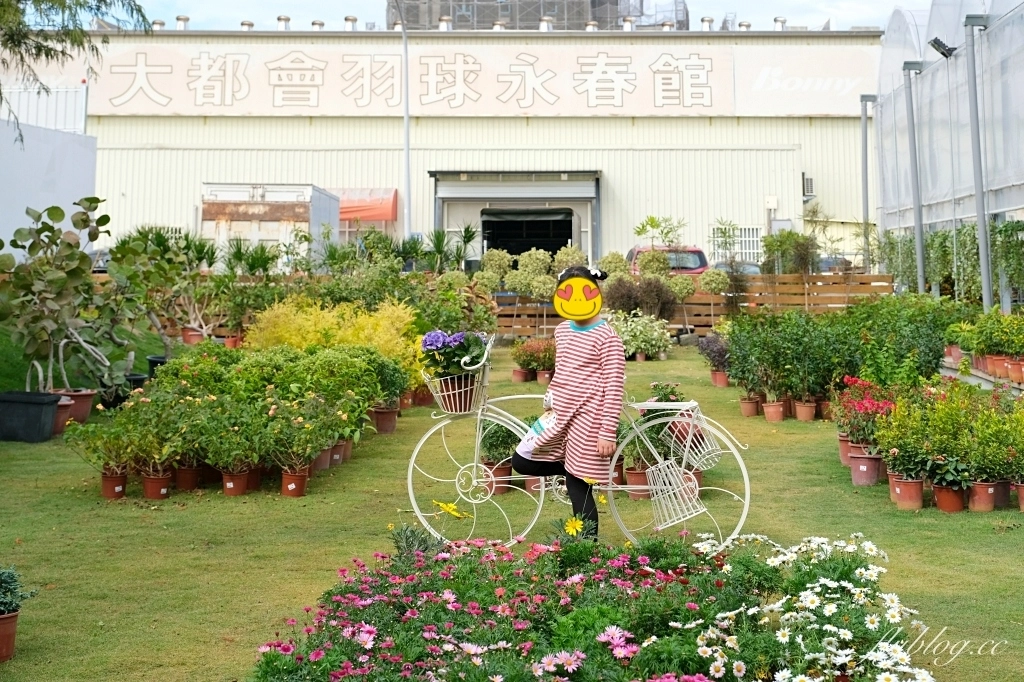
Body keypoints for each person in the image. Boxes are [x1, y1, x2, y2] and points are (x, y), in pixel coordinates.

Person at [511, 265, 626, 537]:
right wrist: (551, 398)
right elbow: (562, 370)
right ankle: (572, 465)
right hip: (558, 415)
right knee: (522, 460)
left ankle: (587, 550)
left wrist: (607, 431)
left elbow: (614, 386)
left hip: (588, 419)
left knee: (577, 484)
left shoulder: (607, 338)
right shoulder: (562, 330)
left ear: (596, 293)